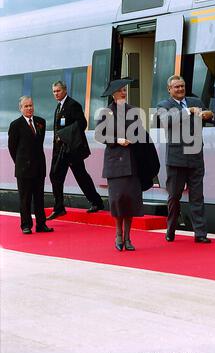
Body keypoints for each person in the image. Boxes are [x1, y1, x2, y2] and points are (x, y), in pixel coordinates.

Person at [95, 78, 160, 251]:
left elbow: (140, 133)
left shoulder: (133, 111)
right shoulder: (105, 112)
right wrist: (117, 140)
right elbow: (99, 136)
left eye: (125, 90)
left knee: (131, 201)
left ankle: (128, 237)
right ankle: (118, 235)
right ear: (114, 94)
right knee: (117, 201)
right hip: (115, 164)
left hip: (133, 162)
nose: (124, 92)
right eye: (121, 90)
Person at [157, 75, 215, 243]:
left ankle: (200, 234)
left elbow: (211, 115)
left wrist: (208, 114)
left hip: (196, 156)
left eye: (182, 86)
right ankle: (171, 229)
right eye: (177, 87)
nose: (180, 89)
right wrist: (187, 111)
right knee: (174, 196)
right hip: (176, 159)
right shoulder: (164, 105)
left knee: (197, 196)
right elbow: (166, 121)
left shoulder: (195, 101)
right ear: (170, 89)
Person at [47, 81, 104, 220]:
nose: (56, 94)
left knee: (80, 176)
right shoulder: (58, 107)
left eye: (58, 91)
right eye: (54, 91)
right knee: (55, 175)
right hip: (61, 150)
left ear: (65, 90)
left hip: (72, 149)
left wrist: (64, 134)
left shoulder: (73, 105)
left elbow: (82, 124)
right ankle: (59, 207)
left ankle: (96, 202)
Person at [8, 96, 54, 234]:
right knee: (25, 198)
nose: (29, 108)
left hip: (39, 167)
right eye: (26, 106)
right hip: (23, 168)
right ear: (20, 108)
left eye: (31, 105)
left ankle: (41, 224)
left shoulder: (41, 122)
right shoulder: (15, 125)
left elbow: (38, 145)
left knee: (39, 198)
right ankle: (26, 225)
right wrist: (20, 163)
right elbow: (12, 148)